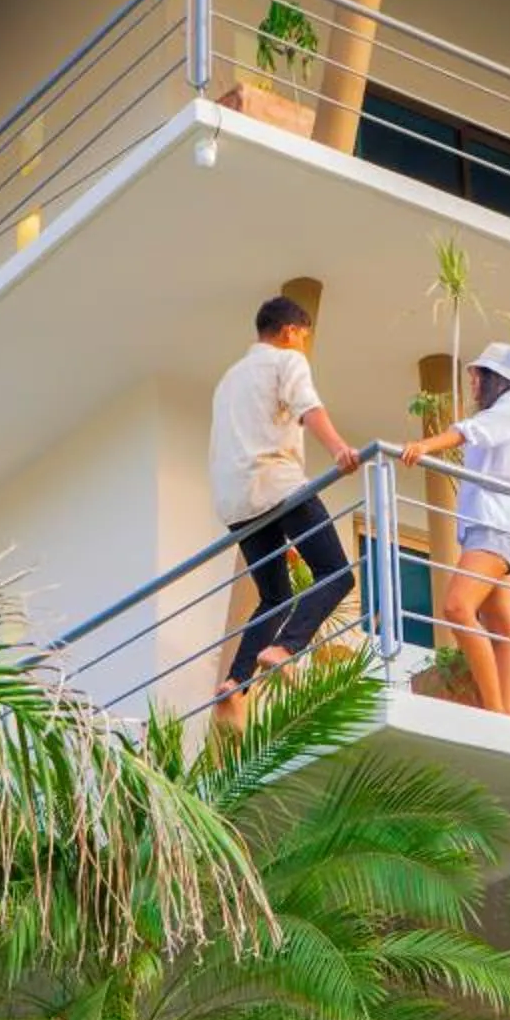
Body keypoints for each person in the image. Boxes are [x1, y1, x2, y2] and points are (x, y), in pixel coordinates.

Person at [208, 295, 360, 727]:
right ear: (291, 331)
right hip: (278, 485)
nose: (303, 347)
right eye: (304, 338)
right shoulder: (285, 362)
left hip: (236, 502)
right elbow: (308, 407)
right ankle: (285, 648)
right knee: (336, 573)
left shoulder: (228, 380)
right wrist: (339, 451)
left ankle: (234, 682)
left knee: (274, 595)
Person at [399, 340, 510, 718]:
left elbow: (471, 431)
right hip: (497, 528)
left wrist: (424, 445)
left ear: (497, 379)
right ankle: (506, 718)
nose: (473, 383)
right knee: (502, 627)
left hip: (495, 527)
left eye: (478, 376)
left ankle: (495, 713)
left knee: (457, 607)